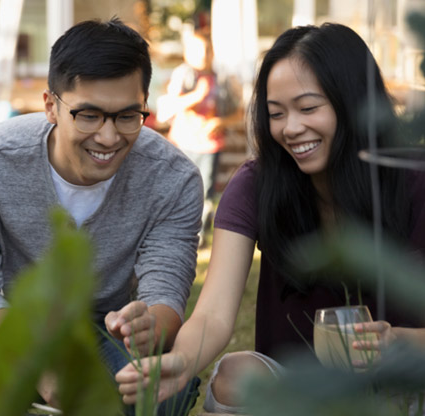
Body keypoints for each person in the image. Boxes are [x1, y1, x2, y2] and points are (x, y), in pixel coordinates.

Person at [116, 23, 425, 414]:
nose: (291, 128)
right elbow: (212, 313)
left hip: (406, 386)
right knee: (234, 375)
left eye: (309, 108)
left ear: (354, 103)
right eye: (276, 113)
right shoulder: (257, 184)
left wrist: (398, 342)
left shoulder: (414, 181)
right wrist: (181, 363)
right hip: (299, 392)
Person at [0, 18, 203, 415]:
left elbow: (166, 292)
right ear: (51, 105)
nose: (109, 137)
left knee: (164, 390)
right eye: (89, 115)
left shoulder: (173, 178)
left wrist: (150, 325)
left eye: (128, 116)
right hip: (13, 323)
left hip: (108, 332)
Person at [155, 29, 233, 244]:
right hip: (183, 142)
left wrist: (220, 122)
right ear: (188, 54)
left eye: (207, 50)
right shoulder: (183, 74)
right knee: (178, 189)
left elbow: (239, 112)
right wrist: (196, 96)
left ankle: (197, 236)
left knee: (204, 191)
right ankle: (174, 231)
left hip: (210, 146)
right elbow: (167, 109)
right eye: (197, 51)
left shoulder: (222, 78)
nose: (203, 56)